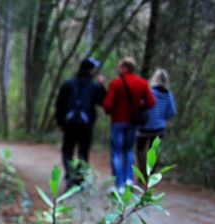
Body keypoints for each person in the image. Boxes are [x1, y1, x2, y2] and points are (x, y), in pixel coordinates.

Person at [101, 57, 156, 192]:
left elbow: (107, 104)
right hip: (132, 122)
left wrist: (112, 111)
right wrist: (138, 107)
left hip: (118, 122)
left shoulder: (116, 83)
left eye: (120, 67)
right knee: (128, 150)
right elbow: (151, 101)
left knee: (117, 152)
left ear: (125, 67)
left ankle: (119, 184)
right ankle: (129, 180)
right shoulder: (142, 83)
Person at [55, 57, 107, 190]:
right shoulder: (94, 86)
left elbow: (60, 105)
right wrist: (101, 85)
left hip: (70, 125)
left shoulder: (68, 84)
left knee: (68, 151)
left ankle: (70, 176)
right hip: (86, 126)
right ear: (90, 70)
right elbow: (103, 101)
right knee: (83, 151)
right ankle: (79, 178)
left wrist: (60, 122)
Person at [136, 69, 177, 180]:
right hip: (159, 128)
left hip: (144, 127)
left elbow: (140, 106)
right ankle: (151, 174)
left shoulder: (148, 91)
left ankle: (143, 173)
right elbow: (172, 111)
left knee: (140, 150)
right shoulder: (168, 94)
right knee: (153, 151)